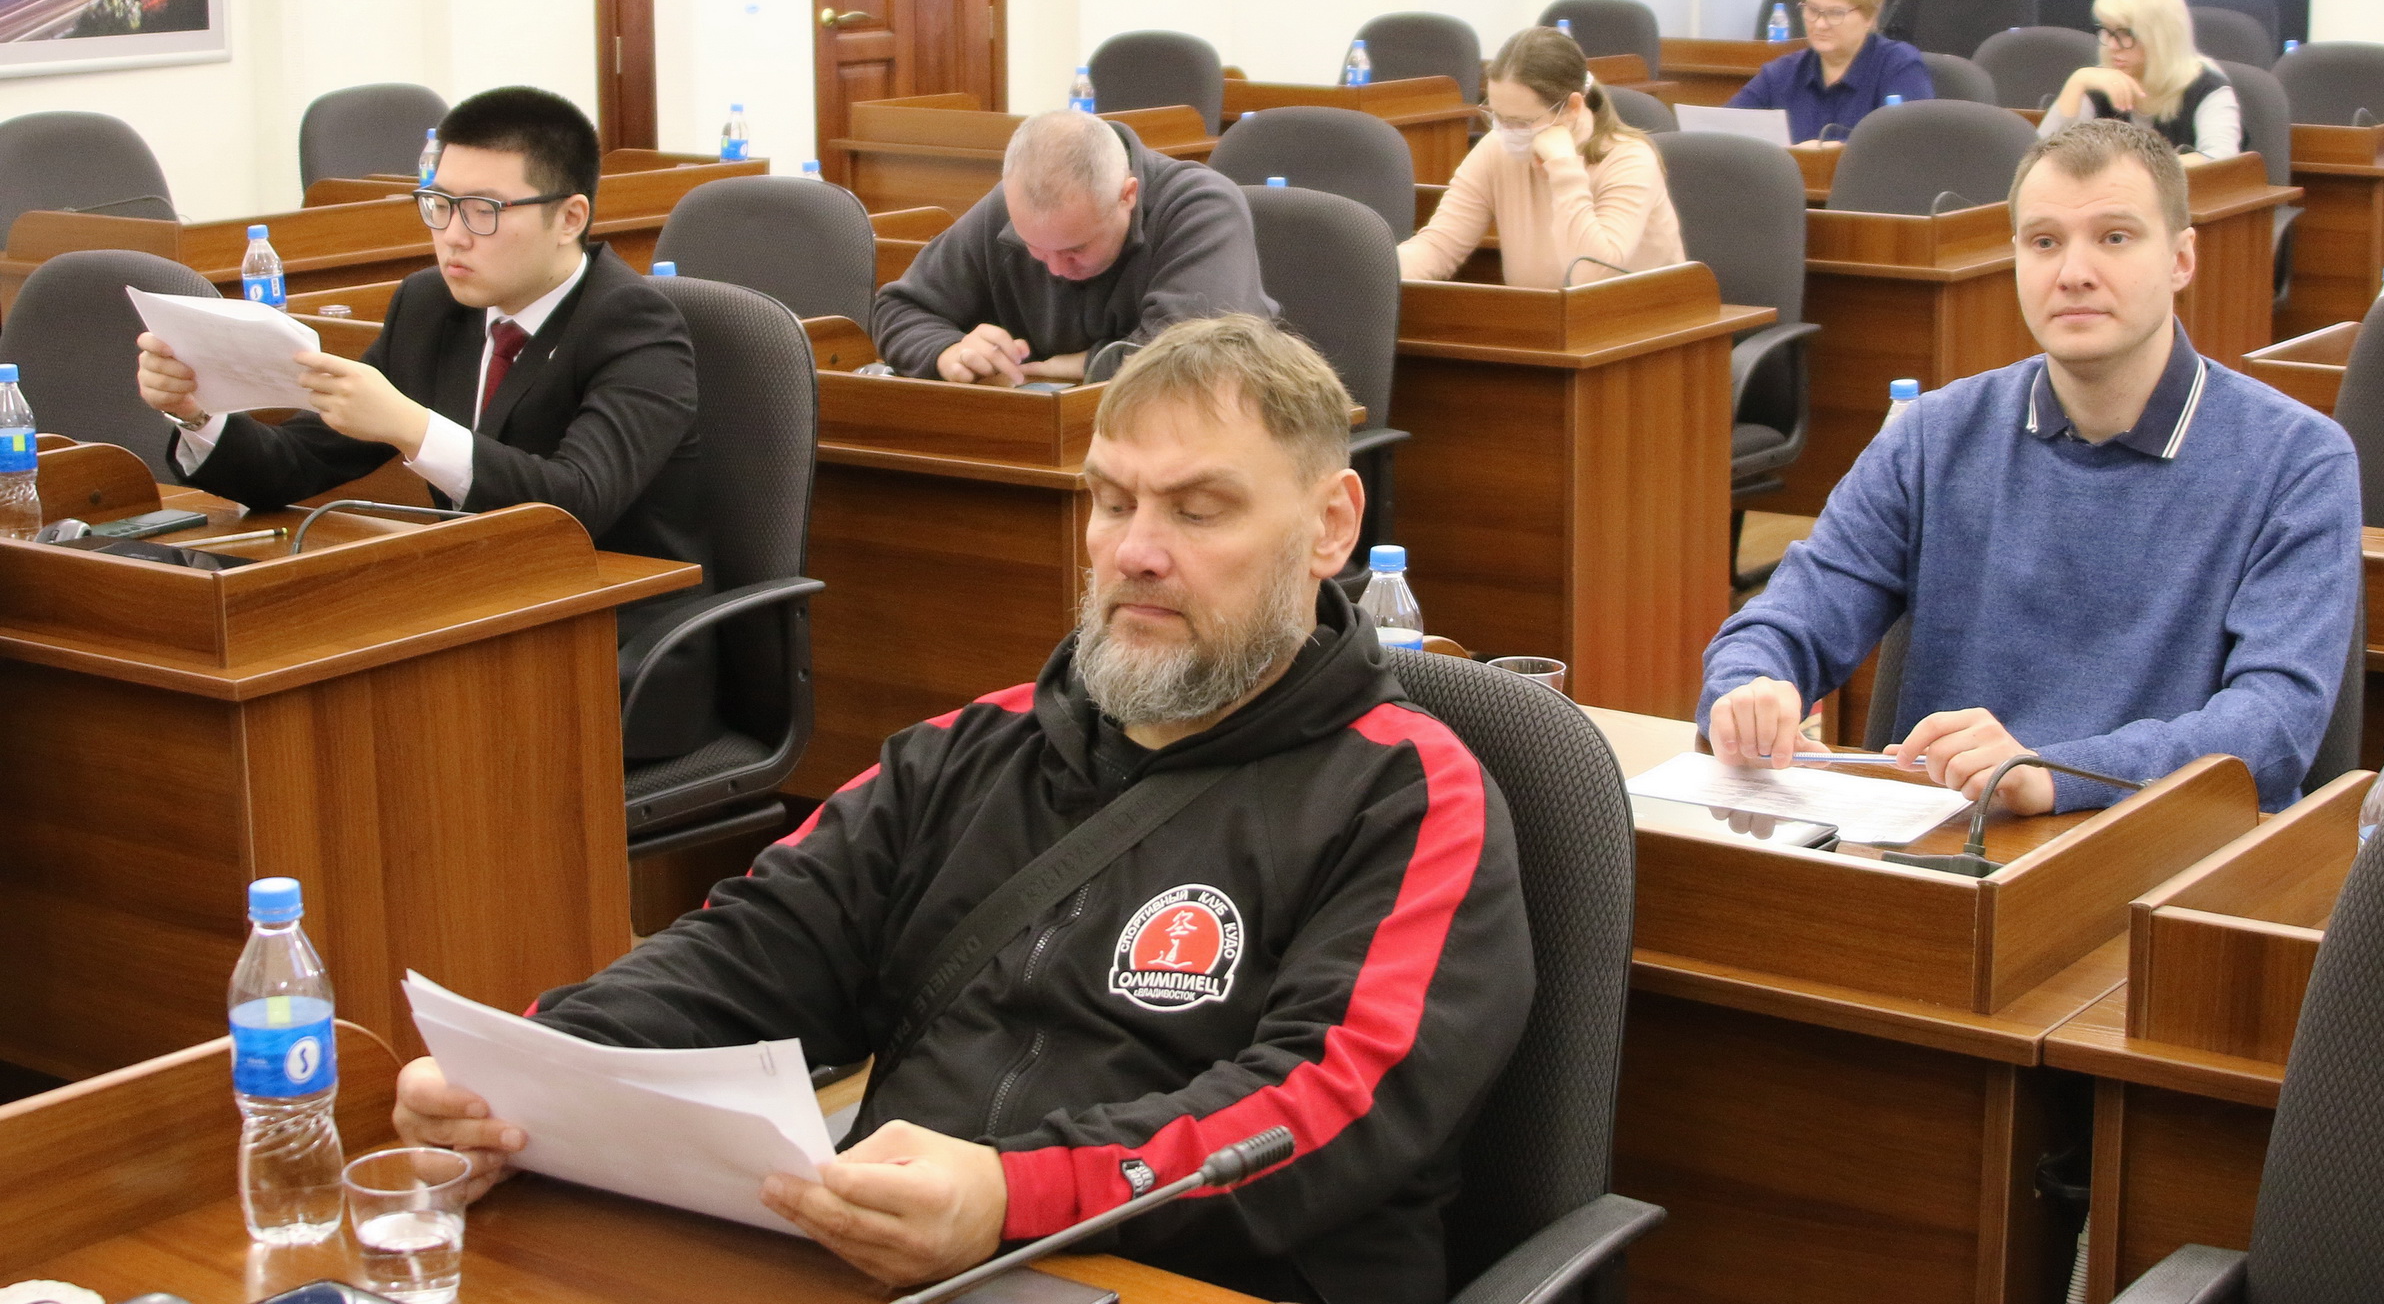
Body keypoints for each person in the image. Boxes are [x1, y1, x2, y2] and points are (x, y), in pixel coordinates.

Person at [391, 314, 1534, 1304]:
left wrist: (1010, 1192)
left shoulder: (1405, 792)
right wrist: (533, 1065)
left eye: (1199, 510)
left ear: (1330, 526)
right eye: (1112, 501)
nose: (1134, 551)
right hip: (912, 1260)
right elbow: (756, 945)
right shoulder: (971, 747)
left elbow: (1326, 1104)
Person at [1699, 119, 2358, 814]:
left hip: (2176, 850)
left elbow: (2273, 721)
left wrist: (2056, 772)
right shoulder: (1932, 436)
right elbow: (1787, 617)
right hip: (1951, 843)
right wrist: (1750, 686)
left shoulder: (2298, 459)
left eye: (2115, 237)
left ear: (2181, 258)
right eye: (2045, 241)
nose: (2073, 273)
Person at [135, 86, 715, 757]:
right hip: (471, 617)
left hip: (618, 647)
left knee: (359, 723)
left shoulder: (636, 325)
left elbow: (577, 501)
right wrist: (198, 413)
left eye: (484, 211)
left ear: (569, 217)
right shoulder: (429, 307)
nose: (453, 236)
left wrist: (411, 426)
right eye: (439, 205)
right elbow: (298, 464)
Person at [873, 109, 1275, 383]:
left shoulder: (1201, 206)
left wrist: (1075, 366)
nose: (1055, 269)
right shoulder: (1005, 209)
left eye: (1076, 249)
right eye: (1033, 247)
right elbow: (900, 309)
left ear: (1127, 195)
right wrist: (947, 352)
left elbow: (1193, 358)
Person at [1398, 25, 1684, 289]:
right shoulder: (1496, 148)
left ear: (1573, 107)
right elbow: (1438, 247)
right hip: (1540, 319)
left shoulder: (1629, 159)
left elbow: (1591, 276)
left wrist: (1564, 170)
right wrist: (1382, 270)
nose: (1506, 130)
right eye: (1497, 116)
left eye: (1522, 122)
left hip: (1640, 321)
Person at [1726, 0, 1934, 142]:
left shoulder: (1899, 67)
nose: (1820, 24)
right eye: (1812, 10)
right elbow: (1723, 132)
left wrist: (1827, 152)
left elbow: (1907, 146)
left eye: (1835, 13)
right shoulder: (1781, 74)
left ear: (1870, 17)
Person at [2039, 0, 2243, 163]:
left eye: (2126, 33)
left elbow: (2220, 160)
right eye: (2107, 31)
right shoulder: (2099, 82)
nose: (2112, 46)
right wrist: (2077, 82)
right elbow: (2040, 160)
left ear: (2161, 38)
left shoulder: (2206, 88)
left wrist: (2131, 171)